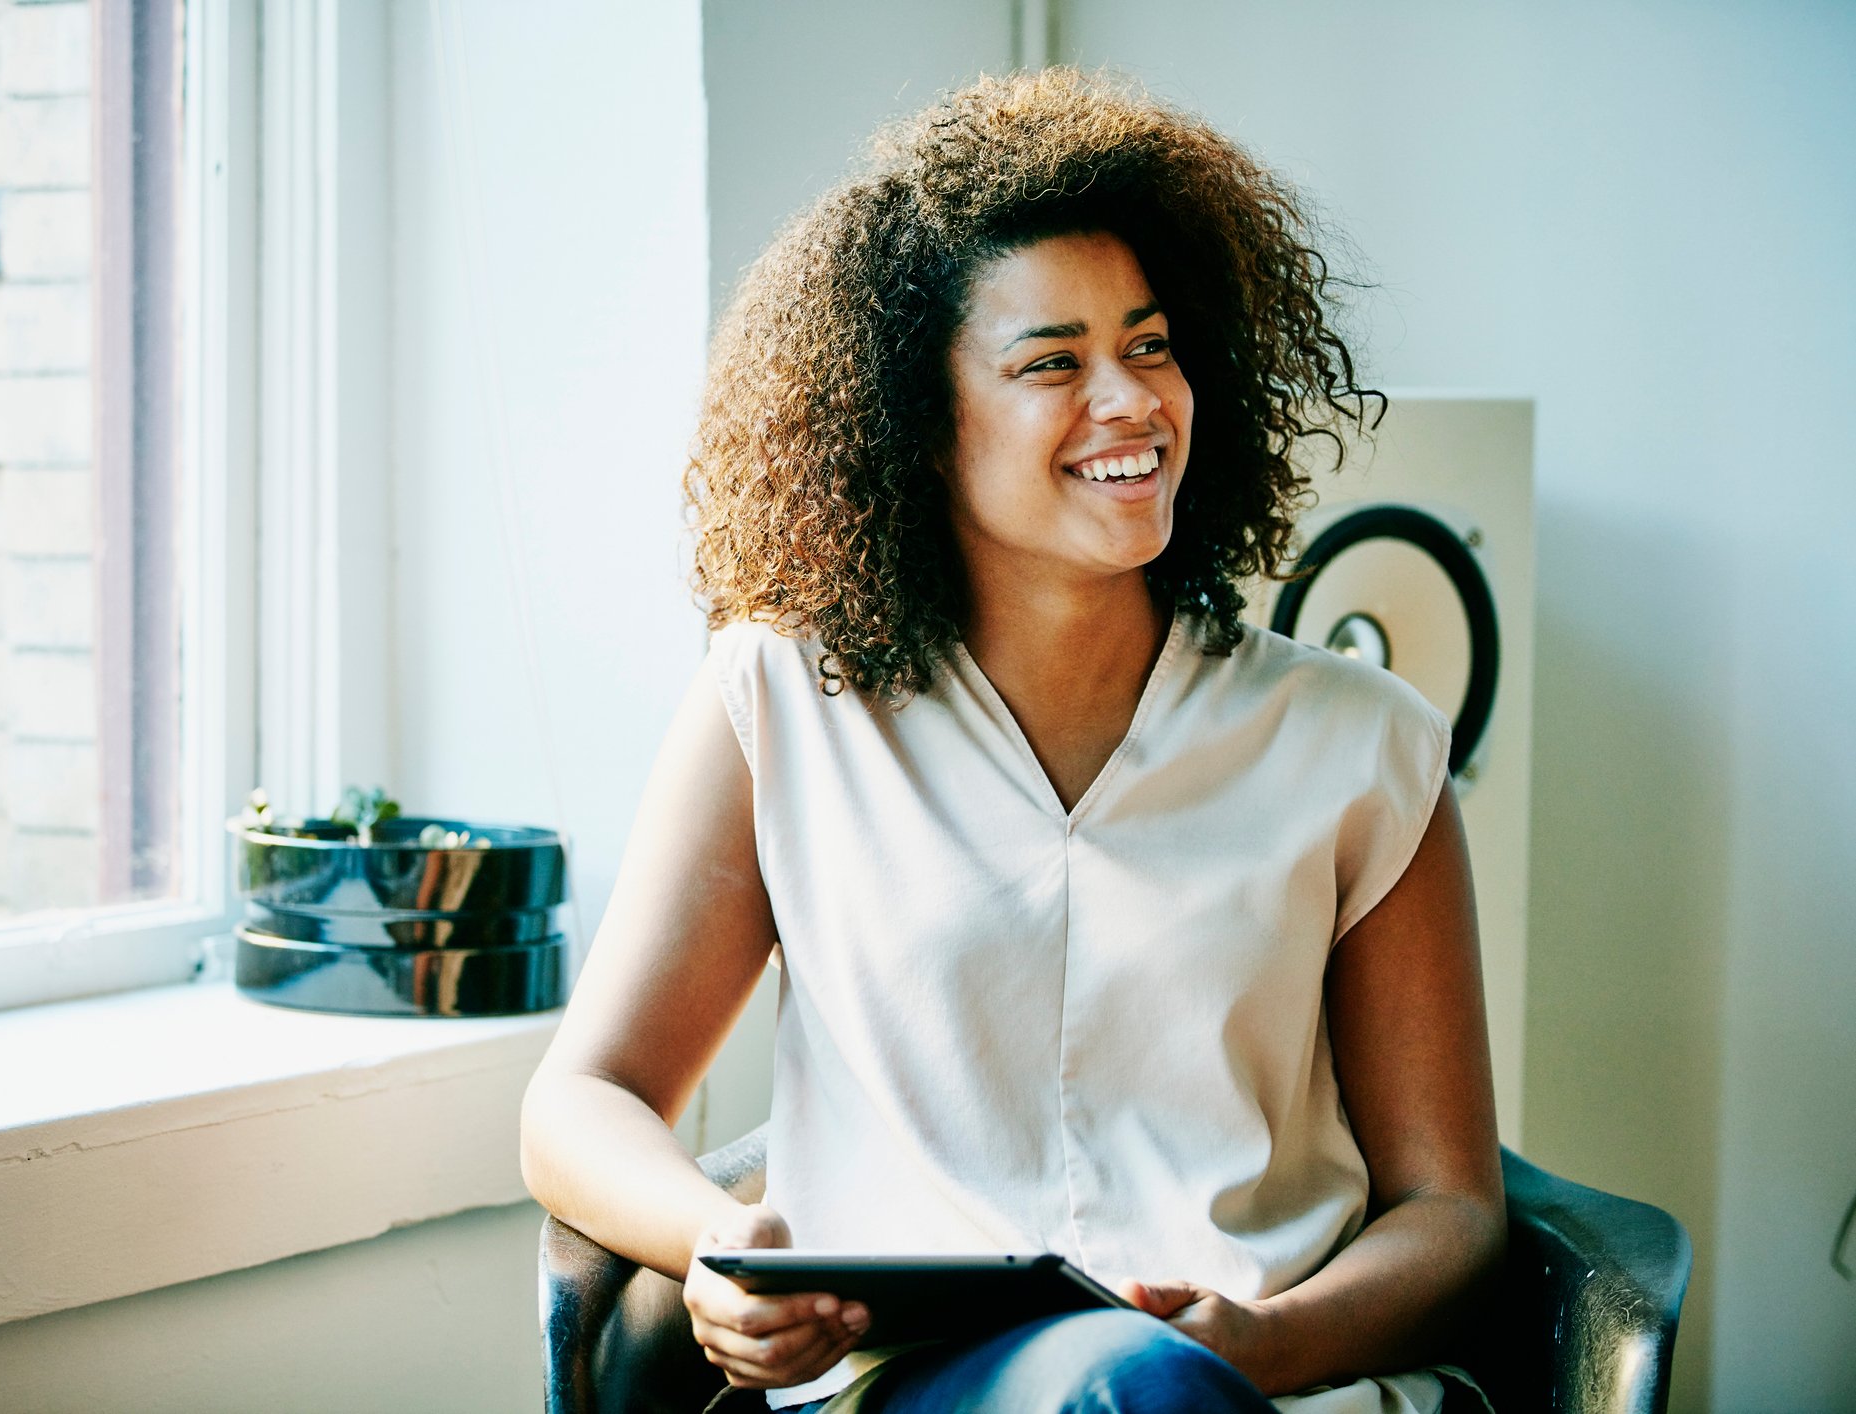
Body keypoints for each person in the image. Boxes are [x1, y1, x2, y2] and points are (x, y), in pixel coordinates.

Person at [520, 69, 1503, 1414]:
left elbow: (1450, 1207)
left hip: (1267, 1389)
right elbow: (581, 1100)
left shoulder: (1359, 744)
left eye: (1149, 346)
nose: (1131, 401)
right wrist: (715, 1243)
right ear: (918, 427)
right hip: (909, 1380)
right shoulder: (780, 703)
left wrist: (1263, 1342)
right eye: (1053, 361)